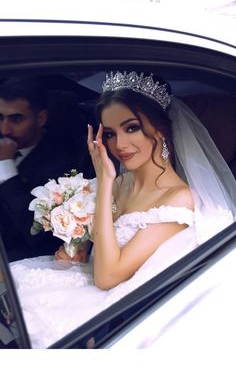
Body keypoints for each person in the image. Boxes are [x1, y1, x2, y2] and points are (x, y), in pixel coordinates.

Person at [9, 71, 236, 348]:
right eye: (111, 133)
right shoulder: (123, 181)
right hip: (83, 286)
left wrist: (104, 182)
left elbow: (106, 278)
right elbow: (95, 250)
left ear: (160, 128)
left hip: (117, 315)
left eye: (131, 128)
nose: (119, 145)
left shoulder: (178, 200)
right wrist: (77, 250)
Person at [0, 76, 94, 261]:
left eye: (16, 119)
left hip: (21, 262)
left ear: (41, 118)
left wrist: (5, 167)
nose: (5, 130)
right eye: (0, 118)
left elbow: (33, 231)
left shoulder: (66, 159)